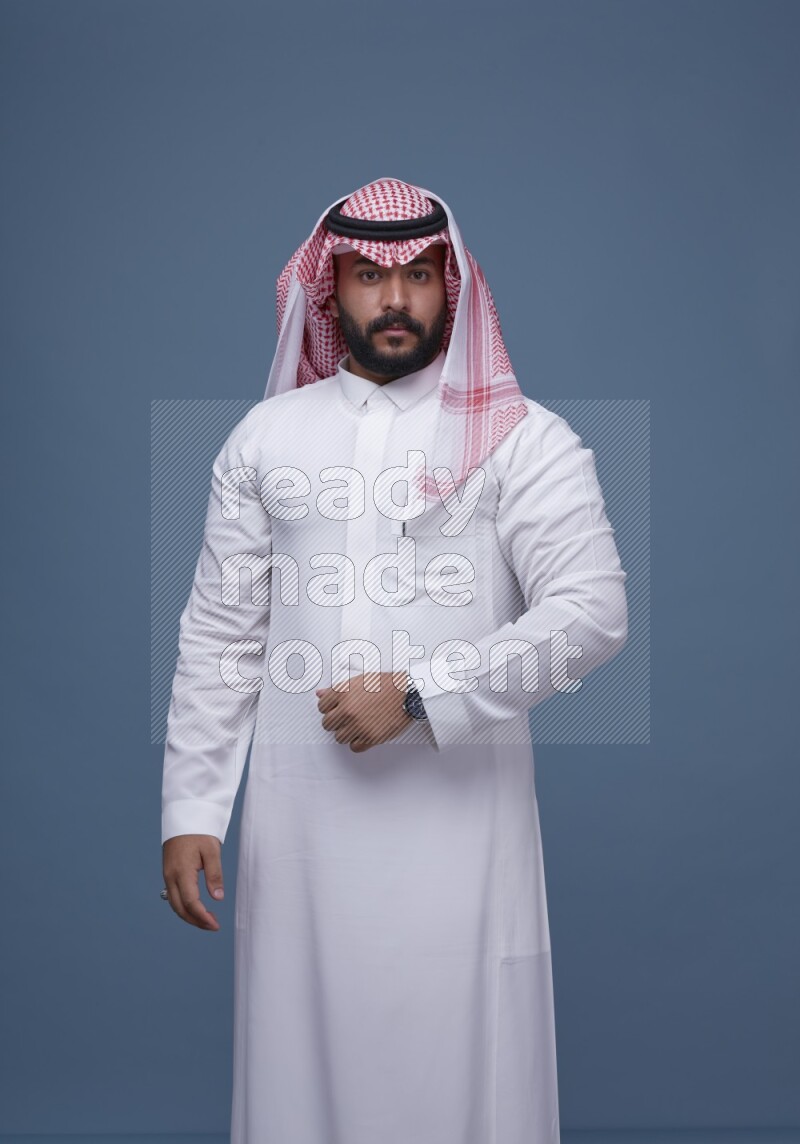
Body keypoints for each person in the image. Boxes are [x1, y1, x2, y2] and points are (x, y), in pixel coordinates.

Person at [160, 177, 628, 1144]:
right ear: (329, 289)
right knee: (300, 1067)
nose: (396, 299)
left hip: (461, 840)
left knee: (463, 1072)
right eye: (371, 277)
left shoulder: (523, 439)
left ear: (451, 287)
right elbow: (221, 635)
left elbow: (593, 614)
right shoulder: (264, 438)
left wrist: (420, 694)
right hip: (301, 837)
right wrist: (193, 808)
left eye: (419, 275)